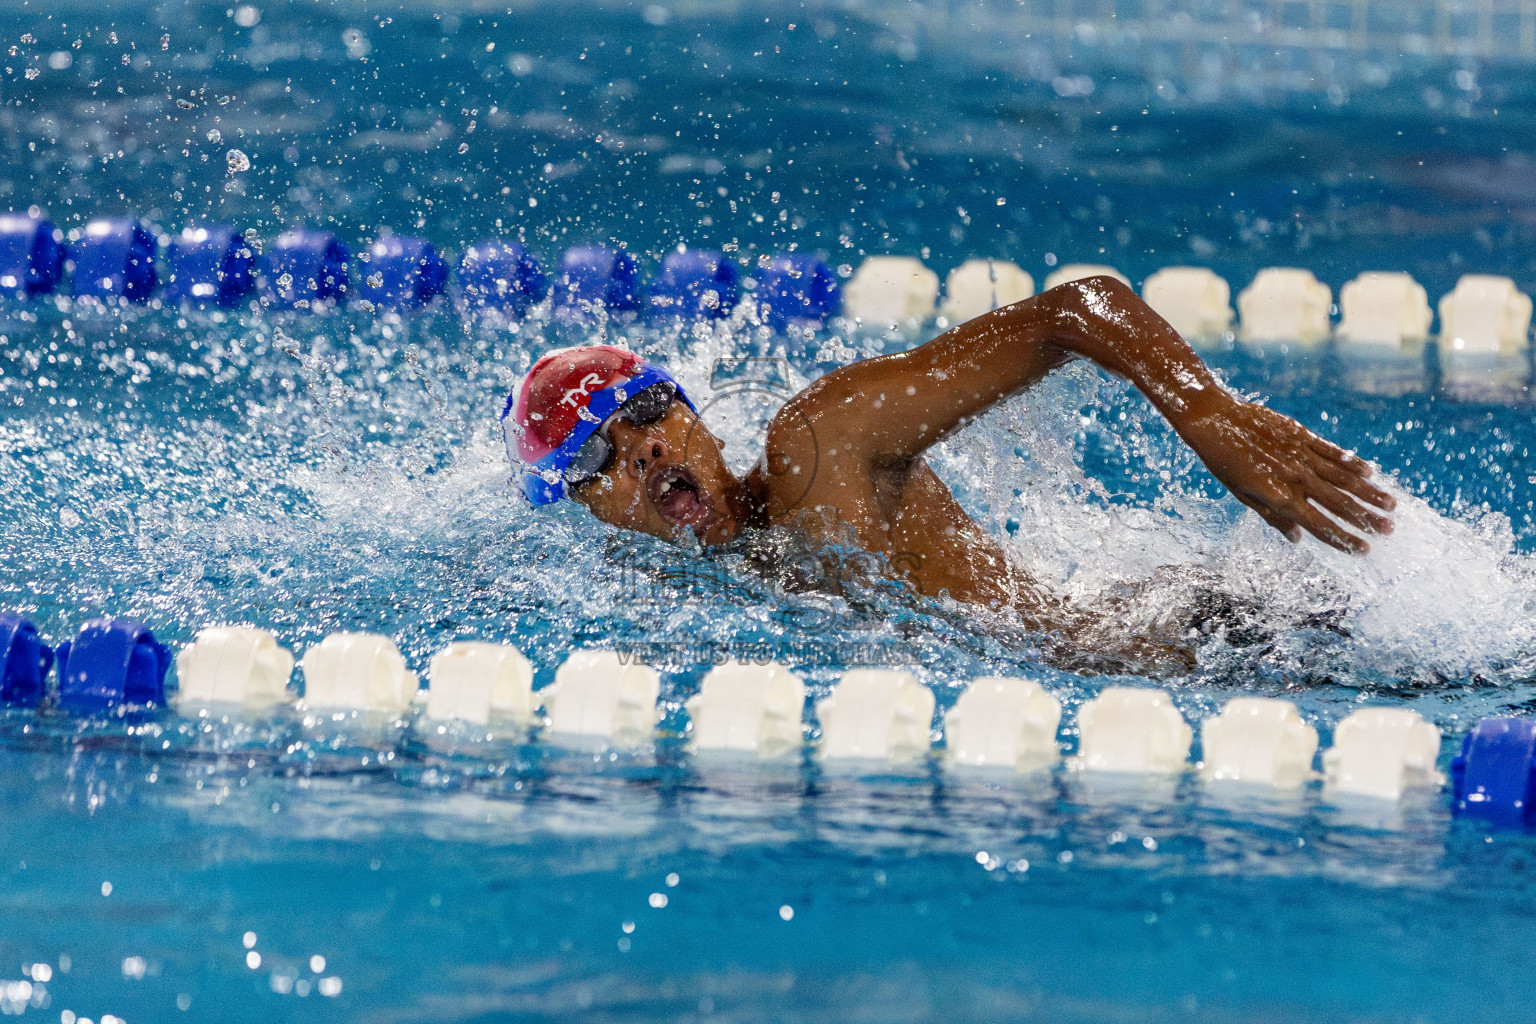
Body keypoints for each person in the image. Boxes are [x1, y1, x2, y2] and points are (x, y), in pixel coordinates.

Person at [503, 275, 1394, 667]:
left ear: (691, 414)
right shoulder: (653, 599)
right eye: (594, 458)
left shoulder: (819, 450)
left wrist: (1210, 414)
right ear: (584, 510)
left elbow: (1075, 311)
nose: (645, 450)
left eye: (650, 416)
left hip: (1204, 643)